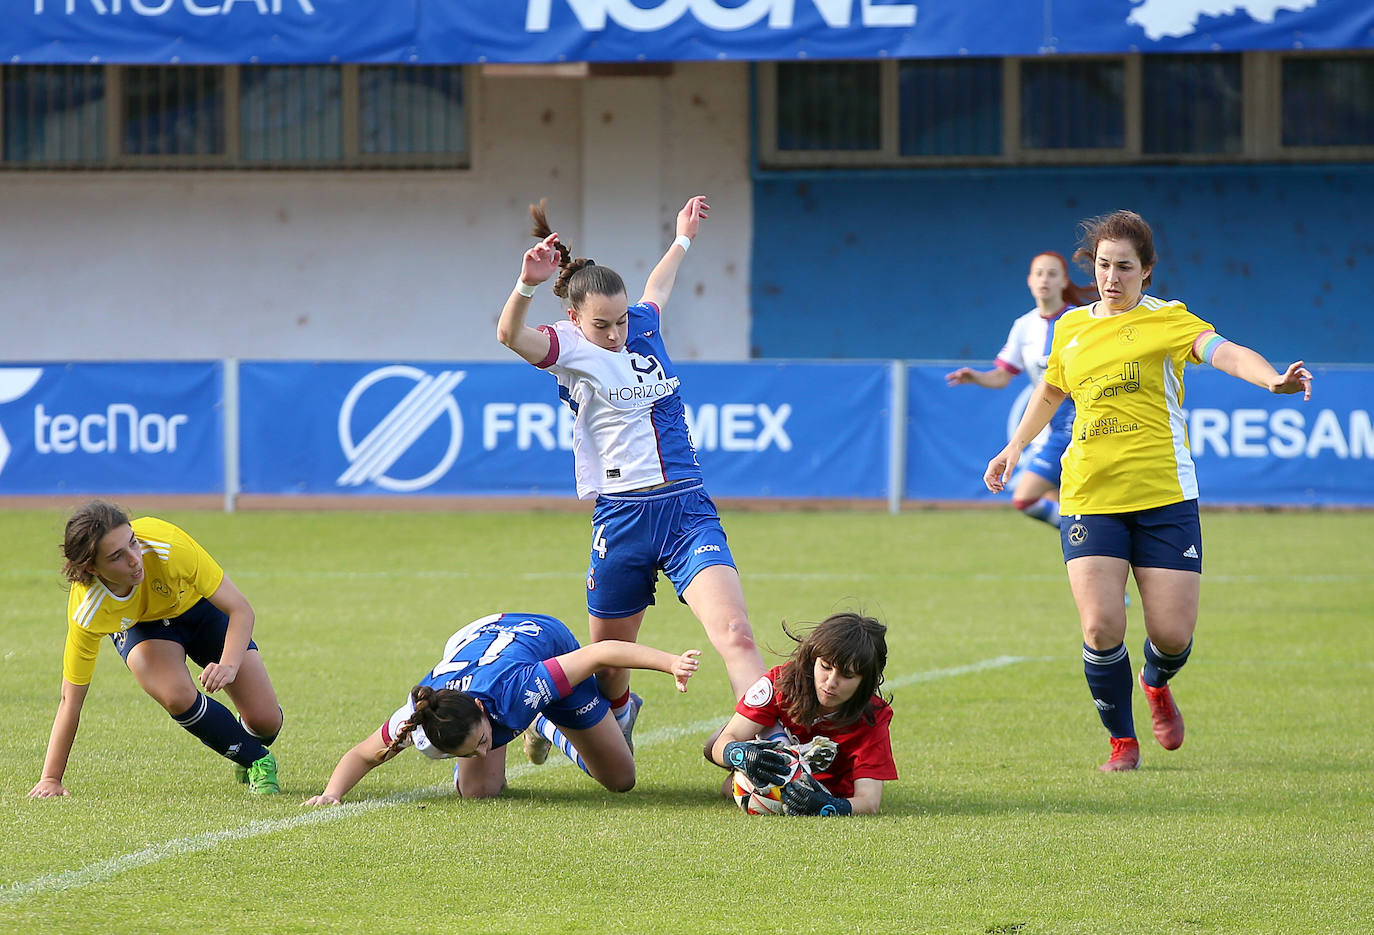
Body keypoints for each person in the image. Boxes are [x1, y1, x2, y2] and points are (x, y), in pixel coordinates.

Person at [983, 210, 1313, 772]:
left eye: (1125, 268)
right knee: (1100, 625)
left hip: (1164, 496)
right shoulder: (1070, 327)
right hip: (1090, 494)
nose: (1113, 277)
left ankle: (1156, 682)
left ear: (1147, 271)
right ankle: (1122, 741)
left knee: (1172, 634)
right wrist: (1014, 448)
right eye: (1104, 266)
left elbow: (1224, 352)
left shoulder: (1170, 321)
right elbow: (1051, 389)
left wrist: (1272, 379)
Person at [495, 194, 765, 757]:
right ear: (574, 318)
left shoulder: (640, 324)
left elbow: (657, 289)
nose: (617, 333)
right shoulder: (564, 347)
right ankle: (594, 716)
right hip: (622, 515)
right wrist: (525, 284)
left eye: (621, 320)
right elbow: (507, 336)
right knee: (612, 666)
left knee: (736, 633)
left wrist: (682, 238)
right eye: (603, 324)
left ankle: (765, 746)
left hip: (688, 507)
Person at [302, 612, 700, 804]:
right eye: (469, 752)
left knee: (620, 779)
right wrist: (331, 794)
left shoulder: (522, 687)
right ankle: (534, 726)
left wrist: (670, 663)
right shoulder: (424, 715)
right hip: (477, 643)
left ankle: (547, 723)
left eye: (481, 741)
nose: (482, 750)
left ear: (480, 709)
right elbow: (363, 754)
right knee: (477, 792)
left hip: (546, 643)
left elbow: (602, 653)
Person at [30, 501, 284, 797]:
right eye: (117, 557)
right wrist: (50, 778)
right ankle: (256, 759)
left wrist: (228, 664)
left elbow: (240, 609)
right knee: (175, 694)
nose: (134, 559)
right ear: (91, 567)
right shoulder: (88, 610)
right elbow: (70, 699)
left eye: (133, 543)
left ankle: (242, 742)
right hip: (143, 628)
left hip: (198, 609)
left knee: (266, 722)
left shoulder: (167, 545)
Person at [947, 251, 1097, 528]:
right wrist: (977, 377)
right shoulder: (1024, 326)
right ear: (1029, 281)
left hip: (1078, 427)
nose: (1045, 279)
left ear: (1064, 281)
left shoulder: (1080, 321)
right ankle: (1091, 544)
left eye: (1052, 274)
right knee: (1067, 506)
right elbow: (1003, 376)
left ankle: (1092, 536)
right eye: (1039, 273)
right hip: (1046, 429)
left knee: (1026, 498)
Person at [704, 612, 896, 815]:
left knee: (732, 783)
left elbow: (869, 802)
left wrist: (826, 805)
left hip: (823, 789)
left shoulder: (873, 717)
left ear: (865, 681)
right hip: (774, 761)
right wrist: (741, 755)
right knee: (714, 744)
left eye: (847, 675)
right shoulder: (780, 684)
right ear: (813, 659)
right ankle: (756, 763)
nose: (831, 682)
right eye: (826, 666)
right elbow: (722, 743)